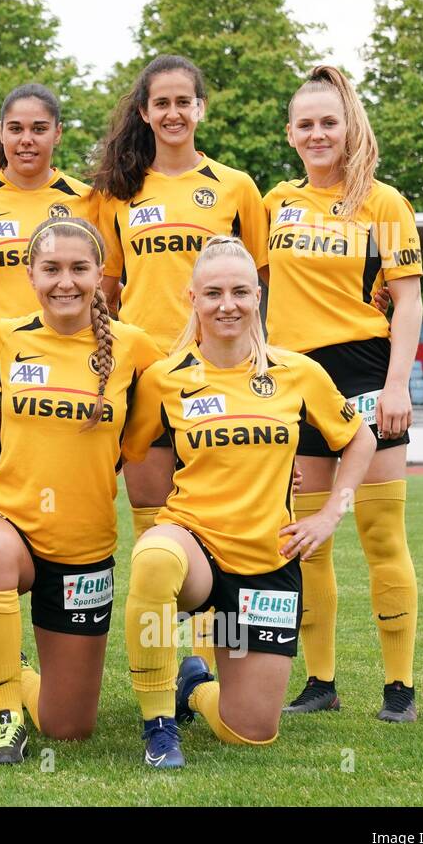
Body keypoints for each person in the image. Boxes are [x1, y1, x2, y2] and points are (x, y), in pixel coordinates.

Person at [122, 235, 376, 767]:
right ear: (192, 299)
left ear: (257, 295)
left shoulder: (297, 372)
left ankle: (194, 685)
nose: (227, 304)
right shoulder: (166, 378)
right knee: (154, 558)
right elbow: (124, 448)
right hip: (197, 552)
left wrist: (332, 512)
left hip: (266, 561)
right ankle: (159, 727)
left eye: (240, 291)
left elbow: (360, 438)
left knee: (251, 731)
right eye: (212, 293)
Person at [0, 217, 159, 763]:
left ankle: (11, 671)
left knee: (69, 727)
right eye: (51, 269)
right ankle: (4, 718)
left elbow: (180, 410)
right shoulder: (5, 338)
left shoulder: (136, 348)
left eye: (78, 268)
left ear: (101, 276)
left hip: (84, 544)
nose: (64, 282)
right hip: (5, 519)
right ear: (30, 275)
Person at [89, 54, 268, 669]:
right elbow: (106, 292)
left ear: (200, 109)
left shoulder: (236, 187)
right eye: (160, 103)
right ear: (144, 112)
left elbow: (257, 286)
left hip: (219, 378)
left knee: (218, 519)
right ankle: (178, 662)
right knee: (155, 521)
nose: (172, 113)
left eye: (183, 102)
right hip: (146, 378)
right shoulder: (121, 193)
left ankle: (217, 654)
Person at [261, 66, 423, 722]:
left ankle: (399, 688)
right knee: (308, 538)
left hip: (364, 373)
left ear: (349, 125)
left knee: (380, 532)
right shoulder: (273, 203)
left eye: (330, 121)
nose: (318, 132)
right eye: (306, 123)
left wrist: (396, 385)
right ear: (291, 134)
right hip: (292, 380)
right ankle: (320, 684)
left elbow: (407, 301)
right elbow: (240, 285)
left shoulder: (384, 203)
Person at [0, 83, 98, 712]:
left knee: (64, 524)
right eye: (15, 128)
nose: (26, 140)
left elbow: (101, 279)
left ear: (58, 133)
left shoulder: (83, 200)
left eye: (39, 128)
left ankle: (55, 652)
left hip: (62, 378)